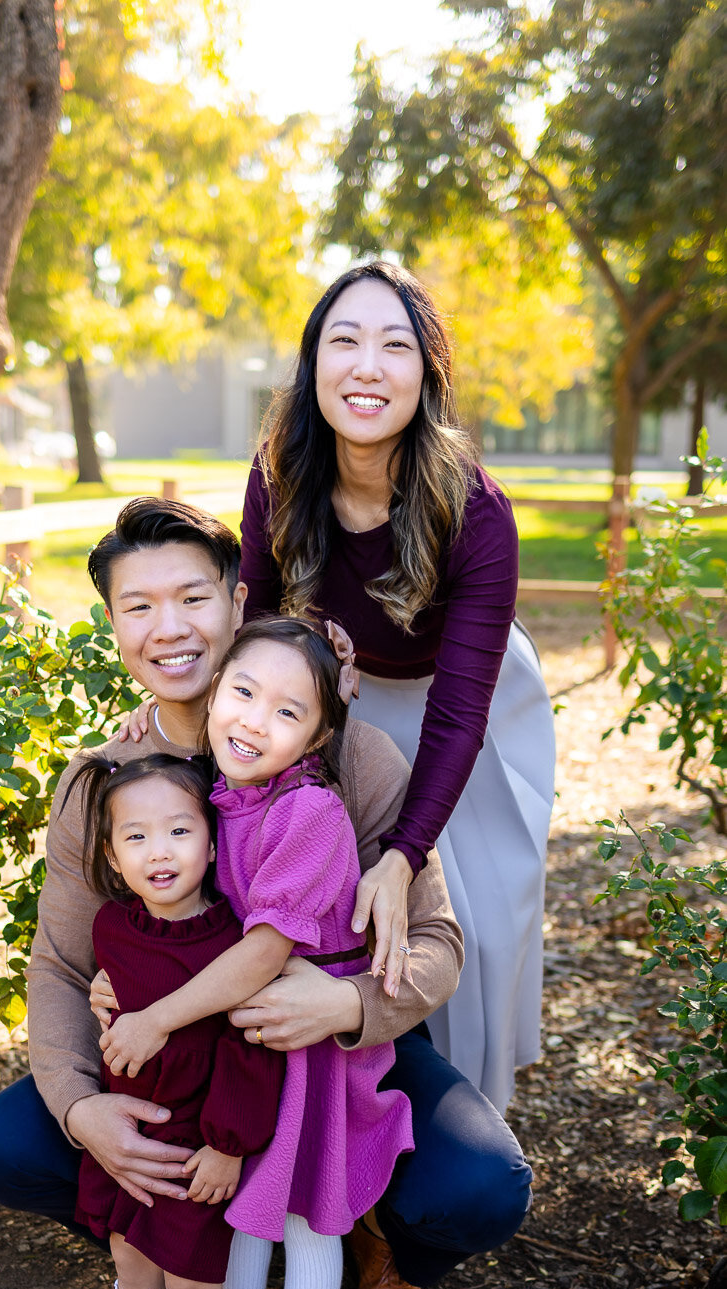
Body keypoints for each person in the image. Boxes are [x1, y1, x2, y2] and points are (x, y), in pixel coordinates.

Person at [0, 499, 531, 1289]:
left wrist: (345, 1002)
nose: (168, 629)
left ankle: (366, 1237)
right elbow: (59, 962)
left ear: (238, 604)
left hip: (329, 1047)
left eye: (192, 598)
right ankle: (188, 1250)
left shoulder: (351, 757)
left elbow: (437, 943)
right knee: (10, 1147)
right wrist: (82, 1110)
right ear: (113, 624)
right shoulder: (102, 781)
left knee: (480, 1190)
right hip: (181, 1059)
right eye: (138, 607)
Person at [100, 615, 415, 1289]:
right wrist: (116, 986)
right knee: (239, 1202)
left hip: (306, 1050)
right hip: (241, 1047)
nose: (251, 721)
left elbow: (263, 950)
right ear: (211, 695)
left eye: (286, 711)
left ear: (317, 736)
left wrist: (156, 1016)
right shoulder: (215, 796)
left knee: (312, 1221)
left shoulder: (307, 811)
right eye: (240, 692)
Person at [237, 258, 555, 1117]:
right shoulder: (279, 472)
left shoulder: (473, 506)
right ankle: (341, 1128)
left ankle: (461, 1127)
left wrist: (406, 853)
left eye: (394, 344)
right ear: (312, 367)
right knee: (336, 907)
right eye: (343, 341)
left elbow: (459, 710)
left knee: (473, 930)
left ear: (427, 373)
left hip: (466, 704)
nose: (366, 366)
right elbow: (253, 626)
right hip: (352, 696)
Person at [65, 753, 283, 1289]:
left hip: (195, 1139)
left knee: (192, 1282)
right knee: (129, 1255)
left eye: (178, 831)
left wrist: (227, 1146)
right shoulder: (111, 929)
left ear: (213, 842)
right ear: (110, 854)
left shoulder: (236, 944)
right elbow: (115, 1001)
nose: (158, 852)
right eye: (135, 837)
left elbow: (251, 1051)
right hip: (125, 1129)